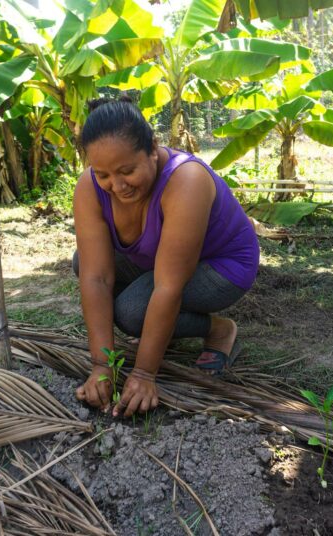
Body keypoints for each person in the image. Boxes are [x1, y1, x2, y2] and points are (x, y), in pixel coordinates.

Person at [73, 97, 259, 418]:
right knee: (84, 260)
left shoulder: (185, 181)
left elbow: (168, 286)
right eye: (102, 174)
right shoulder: (90, 187)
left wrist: (144, 374)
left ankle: (218, 329)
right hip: (160, 258)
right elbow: (96, 277)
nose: (116, 186)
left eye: (127, 171)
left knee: (131, 313)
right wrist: (102, 366)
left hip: (222, 266)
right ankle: (164, 330)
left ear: (153, 148)